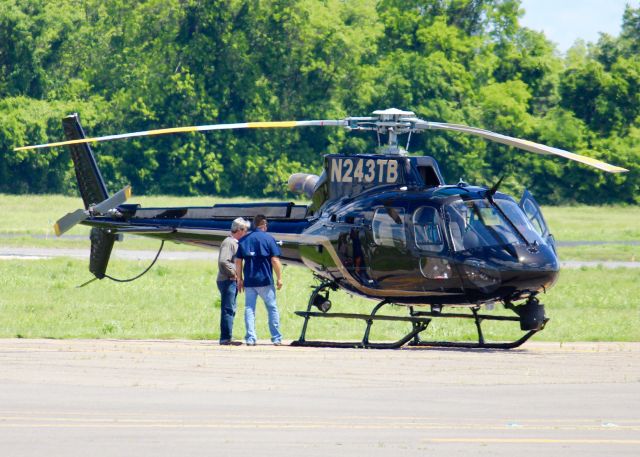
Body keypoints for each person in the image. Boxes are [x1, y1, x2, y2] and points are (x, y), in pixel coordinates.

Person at [235, 214, 283, 346]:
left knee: (249, 308)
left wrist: (239, 279)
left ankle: (250, 338)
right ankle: (276, 338)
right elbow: (274, 260)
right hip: (265, 280)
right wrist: (279, 278)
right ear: (264, 225)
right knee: (272, 308)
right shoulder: (269, 239)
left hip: (250, 281)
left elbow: (238, 261)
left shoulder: (244, 240)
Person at [216, 217, 249, 345]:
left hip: (230, 280)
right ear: (239, 230)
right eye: (245, 230)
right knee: (228, 309)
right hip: (227, 280)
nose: (246, 233)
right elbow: (223, 261)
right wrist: (234, 274)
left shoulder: (234, 242)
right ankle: (225, 338)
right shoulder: (229, 242)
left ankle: (227, 336)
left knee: (230, 308)